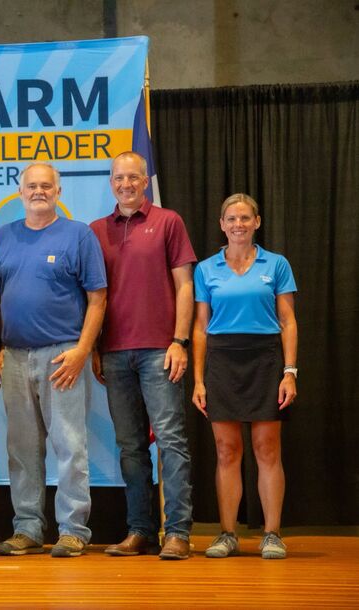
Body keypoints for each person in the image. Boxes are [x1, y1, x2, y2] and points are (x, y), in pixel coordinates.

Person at [0, 162, 107, 558]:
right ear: (20, 192)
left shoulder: (79, 235)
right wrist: (1, 346)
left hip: (62, 356)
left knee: (70, 445)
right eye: (31, 186)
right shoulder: (4, 237)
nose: (38, 191)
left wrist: (81, 350)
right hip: (15, 357)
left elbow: (98, 298)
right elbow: (0, 298)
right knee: (21, 449)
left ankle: (73, 529)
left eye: (46, 186)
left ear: (58, 191)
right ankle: (27, 528)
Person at [90, 151, 197, 560]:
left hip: (160, 350)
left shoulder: (168, 221)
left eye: (133, 177)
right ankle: (140, 531)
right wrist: (96, 346)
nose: (126, 184)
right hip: (114, 353)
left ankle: (178, 532)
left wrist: (180, 341)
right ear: (111, 182)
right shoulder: (96, 230)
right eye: (119, 178)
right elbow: (93, 296)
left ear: (145, 181)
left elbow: (184, 286)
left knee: (171, 441)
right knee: (131, 447)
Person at [192, 193, 298, 560]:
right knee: (226, 451)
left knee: (267, 449)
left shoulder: (277, 264)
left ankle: (272, 533)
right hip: (222, 361)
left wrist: (289, 372)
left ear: (257, 223)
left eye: (245, 218)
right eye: (231, 219)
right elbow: (201, 328)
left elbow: (288, 321)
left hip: (266, 360)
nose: (238, 224)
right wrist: (199, 380)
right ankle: (227, 533)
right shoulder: (205, 269)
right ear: (222, 225)